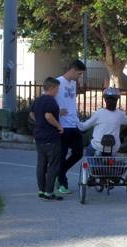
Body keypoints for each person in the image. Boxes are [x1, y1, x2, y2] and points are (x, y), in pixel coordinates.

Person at [54, 60, 87, 195]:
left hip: (74, 124)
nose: (79, 77)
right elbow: (45, 100)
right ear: (72, 70)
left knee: (78, 152)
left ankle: (60, 172)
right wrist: (57, 111)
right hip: (62, 126)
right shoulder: (57, 82)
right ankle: (62, 183)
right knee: (61, 155)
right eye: (79, 74)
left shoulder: (73, 83)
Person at [29, 77, 65, 201]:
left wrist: (40, 123)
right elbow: (48, 115)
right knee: (53, 165)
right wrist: (59, 126)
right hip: (51, 137)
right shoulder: (51, 101)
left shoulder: (38, 100)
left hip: (39, 136)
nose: (58, 91)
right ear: (52, 88)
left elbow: (32, 114)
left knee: (41, 164)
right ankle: (49, 192)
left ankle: (41, 190)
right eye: (57, 88)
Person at [78, 87, 127, 156]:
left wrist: (77, 122)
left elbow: (83, 127)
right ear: (117, 100)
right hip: (114, 147)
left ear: (105, 100)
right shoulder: (121, 114)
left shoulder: (98, 113)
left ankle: (90, 166)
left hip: (98, 146)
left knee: (88, 152)